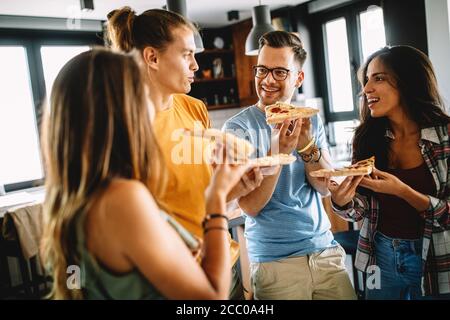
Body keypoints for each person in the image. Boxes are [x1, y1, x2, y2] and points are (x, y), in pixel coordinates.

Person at [40, 48, 252, 299]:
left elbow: (74, 279)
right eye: (143, 94)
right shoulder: (123, 197)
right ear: (121, 111)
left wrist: (176, 258)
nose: (152, 107)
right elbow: (211, 297)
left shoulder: (67, 200)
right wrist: (216, 196)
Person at [105, 7, 262, 299]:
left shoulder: (193, 109)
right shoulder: (122, 129)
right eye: (186, 54)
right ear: (152, 57)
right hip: (173, 275)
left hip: (223, 262)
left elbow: (198, 196)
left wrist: (232, 188)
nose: (195, 64)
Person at [223, 31, 356, 300]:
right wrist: (279, 153)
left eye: (280, 72)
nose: (267, 80)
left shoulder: (310, 120)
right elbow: (250, 206)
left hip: (325, 253)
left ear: (299, 77)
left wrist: (307, 145)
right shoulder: (238, 128)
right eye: (262, 69)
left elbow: (323, 187)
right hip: (275, 263)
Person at [328, 45, 450, 300]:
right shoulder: (366, 139)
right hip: (378, 255)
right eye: (366, 80)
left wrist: (402, 191)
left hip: (435, 257)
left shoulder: (446, 135)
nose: (366, 89)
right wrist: (342, 201)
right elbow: (360, 209)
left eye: (378, 78)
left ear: (408, 82)